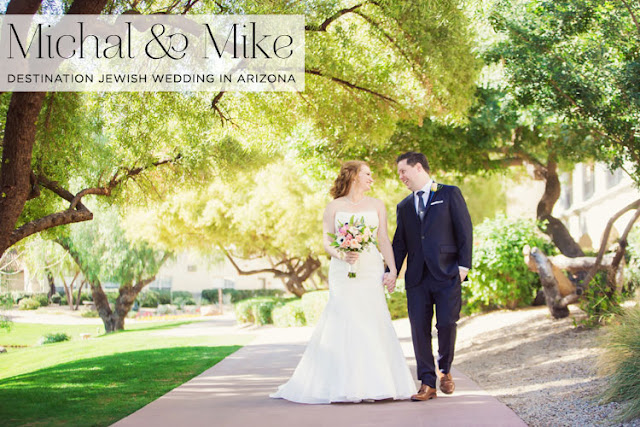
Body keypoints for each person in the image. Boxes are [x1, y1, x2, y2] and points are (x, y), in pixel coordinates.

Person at [270, 160, 416, 404]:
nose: (372, 178)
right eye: (368, 174)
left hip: (370, 268)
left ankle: (376, 384)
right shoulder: (333, 207)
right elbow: (327, 242)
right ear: (354, 176)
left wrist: (392, 269)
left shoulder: (378, 205)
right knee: (344, 318)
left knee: (373, 318)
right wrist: (342, 254)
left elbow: (383, 239)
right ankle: (340, 384)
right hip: (342, 269)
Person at [383, 151, 472, 401]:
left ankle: (445, 370)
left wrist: (464, 266)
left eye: (403, 171)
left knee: (446, 324)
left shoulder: (449, 193)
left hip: (447, 273)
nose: (400, 177)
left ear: (419, 167)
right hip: (417, 278)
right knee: (418, 329)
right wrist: (391, 271)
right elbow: (400, 244)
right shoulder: (404, 206)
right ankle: (427, 383)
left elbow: (465, 230)